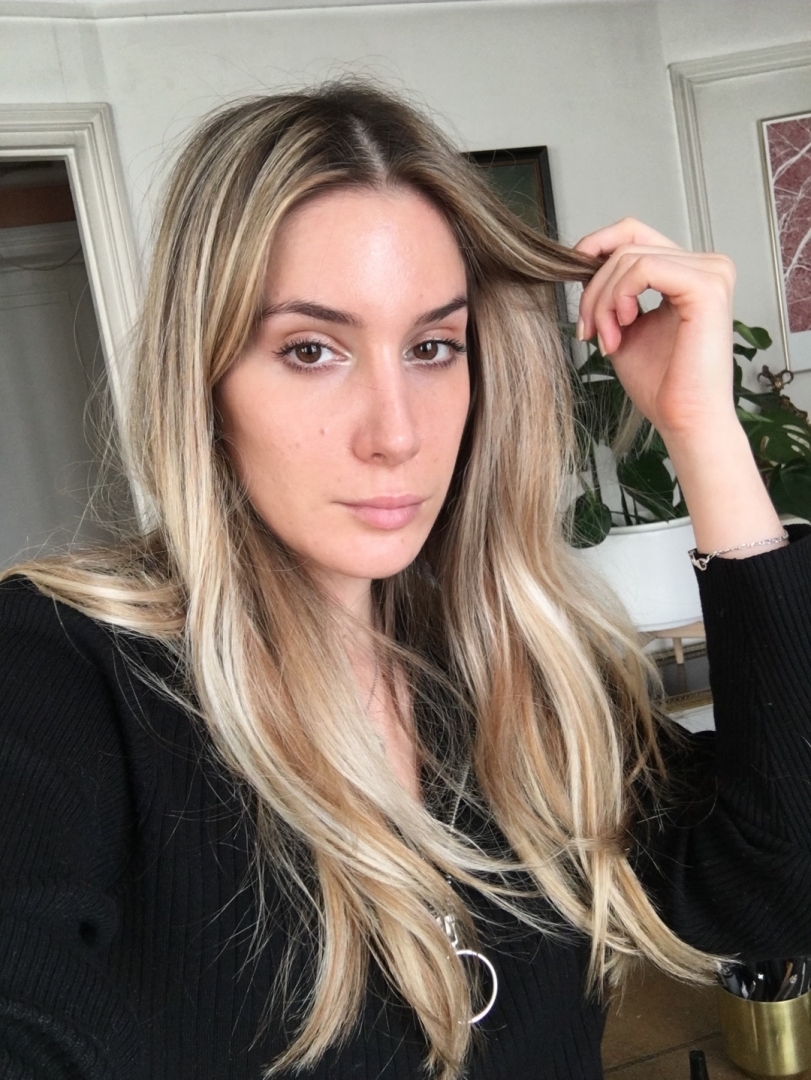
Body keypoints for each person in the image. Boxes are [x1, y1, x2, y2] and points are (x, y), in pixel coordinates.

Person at [1, 79, 810, 1080]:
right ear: (202, 379)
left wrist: (703, 427)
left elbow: (779, 881)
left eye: (432, 347)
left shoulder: (519, 680)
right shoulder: (58, 670)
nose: (396, 433)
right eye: (311, 350)